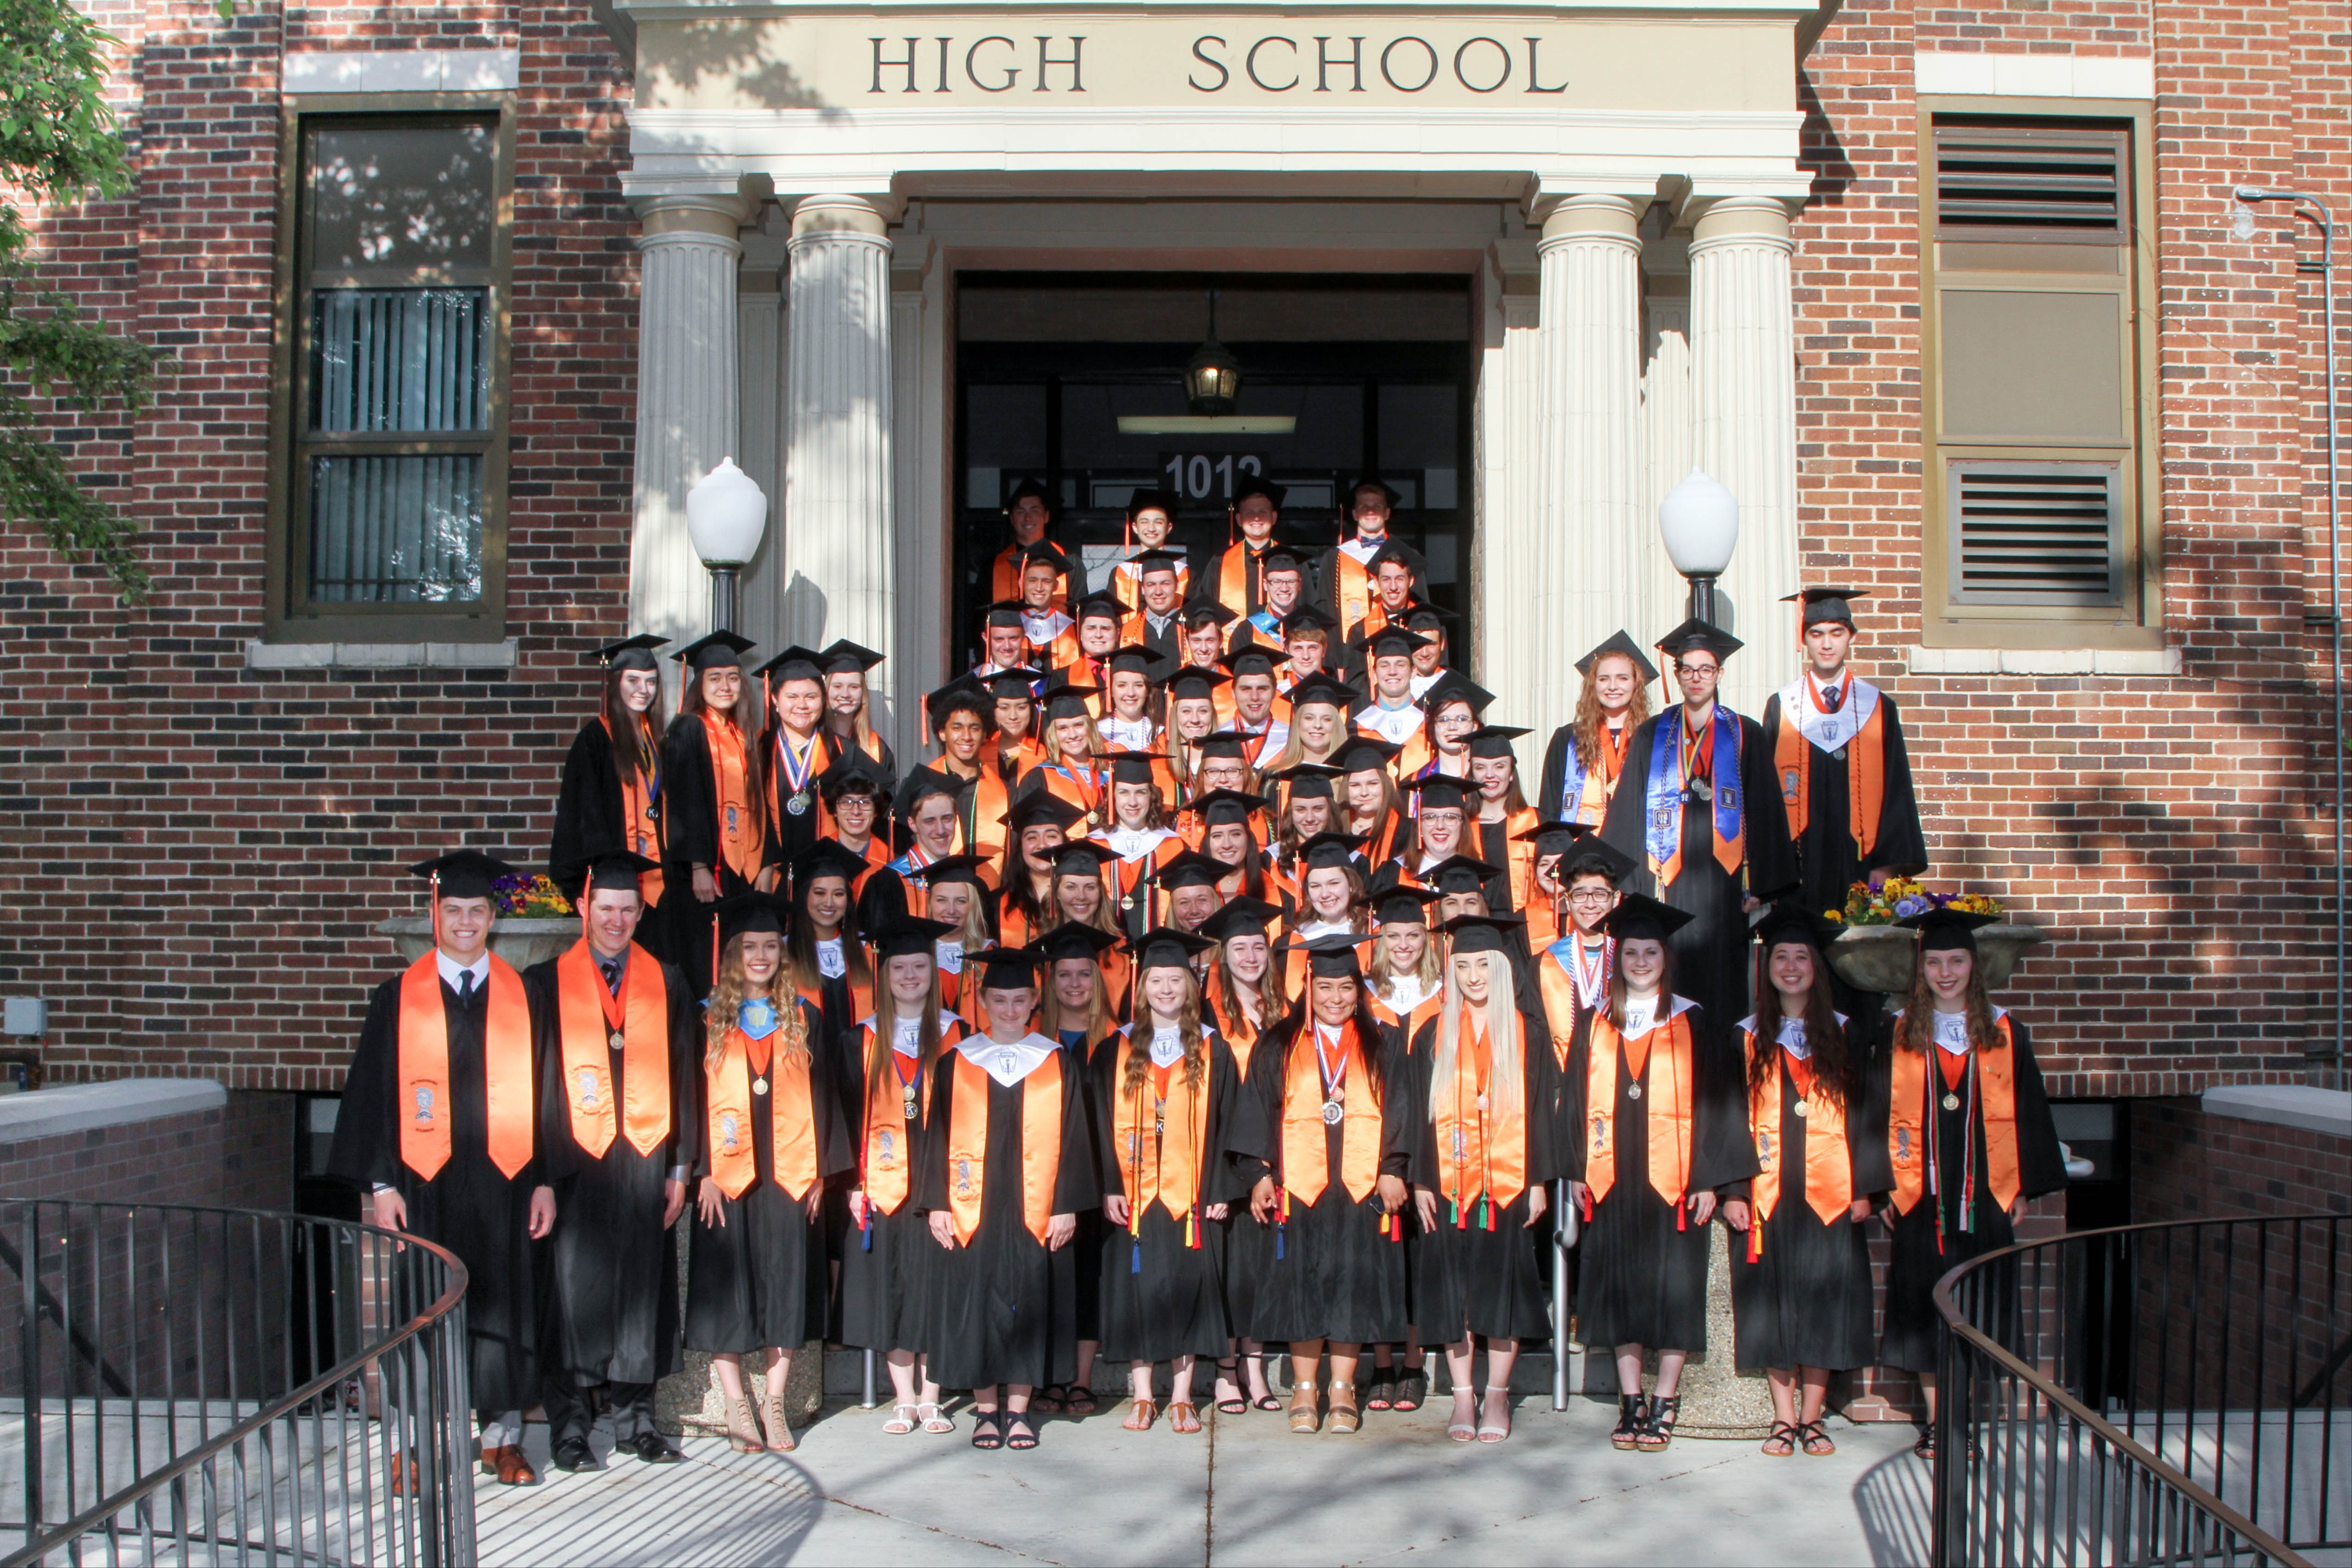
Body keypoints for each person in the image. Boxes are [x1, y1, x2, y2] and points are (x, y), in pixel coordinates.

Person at [329, 850, 555, 1489]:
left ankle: (502, 1440)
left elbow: (546, 1097)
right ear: (435, 915)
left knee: (505, 1308)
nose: (464, 921)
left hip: (506, 1184)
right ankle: (411, 1446)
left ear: (492, 919)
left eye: (475, 911)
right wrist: (379, 1185)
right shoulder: (397, 998)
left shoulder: (523, 996)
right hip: (423, 1184)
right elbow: (370, 1096)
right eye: (452, 910)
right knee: (419, 1310)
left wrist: (543, 1179)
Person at [1564, 894, 1756, 1454]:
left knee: (1676, 1289)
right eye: (1631, 951)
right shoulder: (1596, 1019)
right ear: (1618, 956)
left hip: (1676, 1186)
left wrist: (1710, 1179)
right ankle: (1631, 1400)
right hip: (1611, 1182)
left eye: (1651, 951)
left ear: (1665, 957)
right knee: (1620, 1287)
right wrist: (1577, 1166)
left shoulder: (1692, 1019)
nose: (1641, 960)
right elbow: (1573, 1100)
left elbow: (1720, 1105)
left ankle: (1665, 1399)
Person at [530, 850, 695, 1471]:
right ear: (584, 908)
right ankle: (570, 1430)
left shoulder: (666, 979)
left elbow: (684, 1075)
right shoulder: (545, 984)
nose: (617, 920)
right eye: (606, 908)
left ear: (638, 911)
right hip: (573, 1167)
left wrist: (680, 1167)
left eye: (628, 909)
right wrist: (540, 1175)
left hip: (645, 1163)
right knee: (572, 1298)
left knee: (640, 1294)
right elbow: (534, 1085)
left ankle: (637, 1423)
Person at [1880, 906, 2065, 1461]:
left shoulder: (2007, 1032)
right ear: (1920, 969)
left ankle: (1966, 1422)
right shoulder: (1897, 1033)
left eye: (1956, 959)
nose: (1944, 971)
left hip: (1987, 1197)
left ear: (1973, 966)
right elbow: (1875, 1113)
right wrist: (1883, 1183)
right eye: (1933, 961)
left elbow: (2029, 1112)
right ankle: (1939, 1424)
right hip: (1919, 1196)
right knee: (1923, 1305)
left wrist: (2023, 1186)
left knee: (1981, 1303)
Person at [1722, 906, 1892, 1458]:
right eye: (1780, 957)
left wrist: (1867, 1188)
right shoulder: (1744, 1037)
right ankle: (1783, 1417)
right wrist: (1733, 1190)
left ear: (1816, 968)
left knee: (1823, 1304)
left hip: (1831, 1192)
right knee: (1771, 1303)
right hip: (1767, 1194)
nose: (1791, 966)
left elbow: (1868, 1115)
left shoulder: (1845, 1035)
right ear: (1766, 967)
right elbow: (1726, 1120)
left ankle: (1813, 1418)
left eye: (1800, 956)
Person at [686, 890, 849, 1455]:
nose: (760, 956)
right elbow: (687, 1099)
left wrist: (821, 1174)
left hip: (790, 1171)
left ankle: (774, 1402)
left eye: (769, 946)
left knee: (786, 1284)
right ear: (731, 954)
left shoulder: (806, 1017)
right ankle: (736, 1403)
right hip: (724, 1177)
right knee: (724, 1287)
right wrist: (700, 1170)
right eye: (748, 947)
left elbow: (827, 1098)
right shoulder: (704, 1017)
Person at [919, 946, 1100, 1451]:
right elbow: (935, 1136)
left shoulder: (1054, 1059)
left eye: (1019, 1000)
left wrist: (1066, 1203)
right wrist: (936, 1200)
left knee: (1030, 1302)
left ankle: (1018, 1412)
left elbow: (1074, 1138)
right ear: (982, 999)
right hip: (971, 1204)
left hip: (1035, 1205)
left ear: (1033, 1001)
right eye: (998, 999)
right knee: (978, 1303)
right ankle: (986, 1409)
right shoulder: (956, 1061)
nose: (1008, 1009)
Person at [1236, 933, 1414, 1436]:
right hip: (1300, 1185)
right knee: (1301, 1284)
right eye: (1325, 989)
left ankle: (1342, 1388)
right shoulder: (1279, 1043)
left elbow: (1403, 1107)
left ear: (1359, 990)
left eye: (1346, 988)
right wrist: (1260, 1174)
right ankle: (1303, 1387)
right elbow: (1257, 1111)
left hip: (1362, 1188)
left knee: (1353, 1284)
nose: (1335, 999)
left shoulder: (1384, 1042)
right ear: (1307, 989)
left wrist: (1394, 1166)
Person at [1598, 619, 1798, 1031]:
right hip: (1666, 885)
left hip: (1726, 891)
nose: (1696, 677)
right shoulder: (1653, 733)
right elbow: (1628, 812)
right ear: (1676, 675)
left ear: (1719, 674)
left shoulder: (1746, 733)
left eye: (1705, 669)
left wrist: (1759, 888)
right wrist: (1635, 890)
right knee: (1670, 985)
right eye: (1687, 669)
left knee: (1724, 992)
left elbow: (1765, 811)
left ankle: (1721, 1090)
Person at [1410, 915, 1559, 1444]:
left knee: (1503, 1289)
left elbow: (1542, 1112)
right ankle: (1462, 1396)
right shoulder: (1433, 1033)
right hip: (1447, 1187)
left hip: (1509, 1184)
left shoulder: (1528, 1033)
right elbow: (1416, 1116)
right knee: (1455, 1292)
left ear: (1501, 968)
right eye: (1463, 965)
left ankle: (1497, 1391)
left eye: (1483, 965)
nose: (1474, 975)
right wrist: (1420, 1179)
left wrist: (1540, 1179)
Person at [1098, 928, 1242, 1434]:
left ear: (1190, 985)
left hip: (1192, 1192)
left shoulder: (1212, 1048)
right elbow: (1096, 1125)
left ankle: (1181, 1394)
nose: (1165, 989)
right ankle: (1142, 1393)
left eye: (1175, 979)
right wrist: (1109, 1185)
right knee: (1137, 1288)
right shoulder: (1113, 1049)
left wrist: (1222, 1187)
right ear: (1142, 987)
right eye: (1156, 980)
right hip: (1134, 1196)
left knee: (1187, 1287)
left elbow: (1229, 1122)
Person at [840, 915, 968, 1437]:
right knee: (888, 1283)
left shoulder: (960, 1035)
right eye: (900, 967)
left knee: (936, 1283)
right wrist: (854, 1181)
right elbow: (846, 1117)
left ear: (933, 971)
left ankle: (934, 1394)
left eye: (920, 965)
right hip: (882, 1181)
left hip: (940, 1181)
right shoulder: (861, 1038)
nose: (911, 975)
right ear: (884, 973)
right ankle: (905, 1398)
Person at [1759, 588, 1928, 925]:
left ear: (1850, 637)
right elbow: (1766, 797)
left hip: (1862, 864)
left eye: (1836, 633)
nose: (1826, 644)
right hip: (1799, 866)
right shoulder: (1783, 707)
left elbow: (1897, 791)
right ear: (1804, 640)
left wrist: (1885, 865)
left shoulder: (1877, 708)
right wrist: (1772, 871)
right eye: (1816, 634)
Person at [1198, 897, 1288, 1412]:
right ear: (1223, 952)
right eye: (1240, 947)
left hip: (1272, 1154)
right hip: (1224, 1156)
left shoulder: (1284, 1008)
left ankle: (1254, 1365)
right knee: (1229, 1267)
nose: (1251, 956)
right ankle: (1227, 1368)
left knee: (1259, 1266)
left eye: (1258, 946)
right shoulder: (1207, 1012)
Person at [663, 631, 771, 998]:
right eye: (715, 677)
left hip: (741, 869)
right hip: (708, 871)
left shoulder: (742, 735)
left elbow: (758, 804)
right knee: (707, 961)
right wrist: (698, 865)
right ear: (699, 683)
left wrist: (766, 862)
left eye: (732, 677)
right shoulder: (689, 728)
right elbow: (684, 800)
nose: (725, 686)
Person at [550, 633, 671, 958]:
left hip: (659, 884)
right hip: (615, 884)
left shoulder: (656, 739)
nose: (642, 690)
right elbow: (583, 814)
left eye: (651, 682)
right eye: (633, 680)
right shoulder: (594, 740)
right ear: (616, 682)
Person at [1538, 631, 1656, 830]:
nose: (1612, 686)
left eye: (1622, 678)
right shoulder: (1568, 738)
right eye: (1604, 679)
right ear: (1593, 684)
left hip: (1637, 848)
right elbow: (1550, 804)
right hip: (1582, 848)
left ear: (1636, 683)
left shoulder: (1652, 736)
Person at [755, 645, 834, 876]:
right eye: (792, 697)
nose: (802, 705)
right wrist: (764, 864)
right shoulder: (756, 748)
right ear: (775, 700)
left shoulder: (840, 751)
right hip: (768, 871)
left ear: (824, 700)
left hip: (823, 872)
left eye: (811, 697)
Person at [1092, 752, 1185, 937]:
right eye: (1124, 792)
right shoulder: (1094, 846)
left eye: (1141, 792)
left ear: (1152, 796)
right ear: (1112, 797)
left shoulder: (1173, 846)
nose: (1132, 802)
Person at [1320, 478, 1426, 638]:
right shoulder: (1335, 558)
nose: (1371, 512)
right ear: (1355, 514)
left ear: (1387, 513)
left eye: (1377, 507)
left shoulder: (1407, 556)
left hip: (1398, 648)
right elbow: (1326, 610)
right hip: (1350, 652)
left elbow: (1422, 608)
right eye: (1364, 507)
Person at [922, 678, 1011, 863]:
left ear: (985, 734)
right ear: (942, 732)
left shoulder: (1007, 793)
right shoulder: (921, 787)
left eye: (975, 728)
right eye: (957, 728)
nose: (967, 737)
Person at [1465, 726, 1540, 917]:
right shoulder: (1462, 826)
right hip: (1478, 929)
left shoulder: (1536, 821)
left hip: (1526, 926)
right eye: (1480, 767)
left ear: (1512, 773)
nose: (1490, 775)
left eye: (1500, 766)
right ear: (1472, 775)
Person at [996, 789, 1083, 948]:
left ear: (1064, 843)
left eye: (1051, 836)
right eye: (1031, 837)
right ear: (1020, 846)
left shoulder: (1082, 901)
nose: (1042, 844)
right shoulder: (996, 905)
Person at [815, 638, 897, 780]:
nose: (846, 694)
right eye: (837, 686)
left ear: (863, 693)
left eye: (854, 687)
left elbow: (887, 798)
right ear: (826, 691)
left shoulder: (877, 748)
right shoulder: (812, 741)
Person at [1211, 477, 1286, 621]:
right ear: (1239, 519)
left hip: (1279, 640)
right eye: (1250, 513)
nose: (1256, 518)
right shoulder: (1219, 564)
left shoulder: (1291, 561)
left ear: (1274, 517)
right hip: (1234, 642)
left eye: (1263, 512)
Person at [988, 477, 1064, 606]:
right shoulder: (992, 567)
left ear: (1046, 516)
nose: (1028, 518)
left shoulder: (1068, 564)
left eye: (1035, 511)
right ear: (1012, 519)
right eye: (1020, 512)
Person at [1352, 627, 1429, 749]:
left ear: (1413, 672)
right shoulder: (1358, 726)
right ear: (1374, 674)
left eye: (1400, 665)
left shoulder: (1430, 723)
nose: (1392, 672)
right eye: (1384, 665)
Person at [1113, 488, 1191, 603]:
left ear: (1169, 528)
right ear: (1135, 527)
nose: (1151, 528)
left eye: (1158, 522)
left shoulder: (1184, 574)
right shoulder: (1121, 573)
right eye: (1144, 522)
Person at [1230, 546, 1309, 653]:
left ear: (1300, 584)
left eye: (1291, 581)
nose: (1284, 588)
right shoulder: (1247, 630)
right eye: (1277, 581)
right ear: (1266, 585)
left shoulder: (1311, 627)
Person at [1123, 549, 1191, 660]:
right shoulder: (1127, 632)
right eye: (1151, 585)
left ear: (1177, 586)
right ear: (1143, 589)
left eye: (1165, 584)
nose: (1158, 592)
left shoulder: (1192, 628)